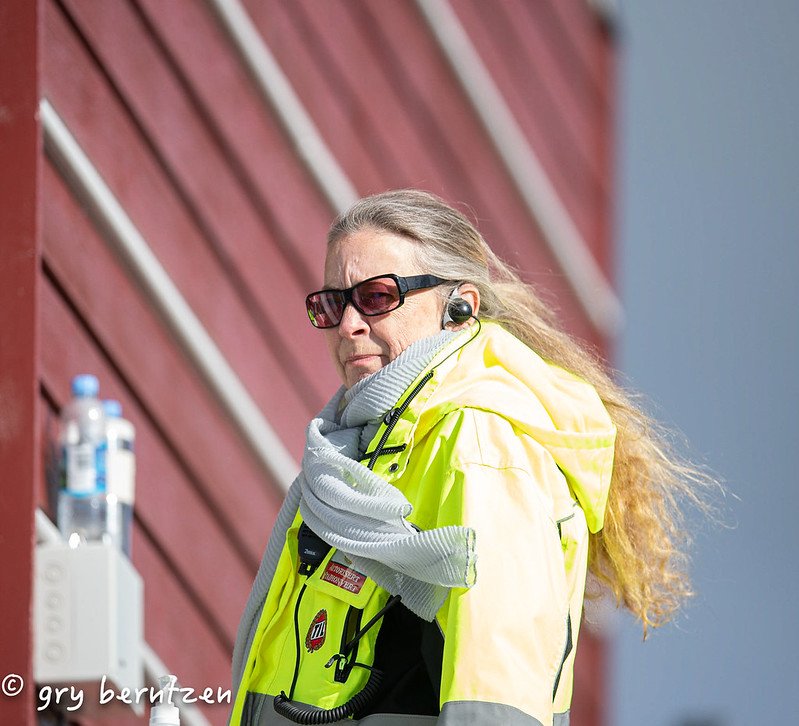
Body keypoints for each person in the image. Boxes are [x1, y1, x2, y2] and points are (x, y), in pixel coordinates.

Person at [228, 189, 710, 725]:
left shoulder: (483, 445)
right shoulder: (361, 456)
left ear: (460, 309)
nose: (348, 325)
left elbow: (498, 686)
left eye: (378, 296)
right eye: (332, 304)